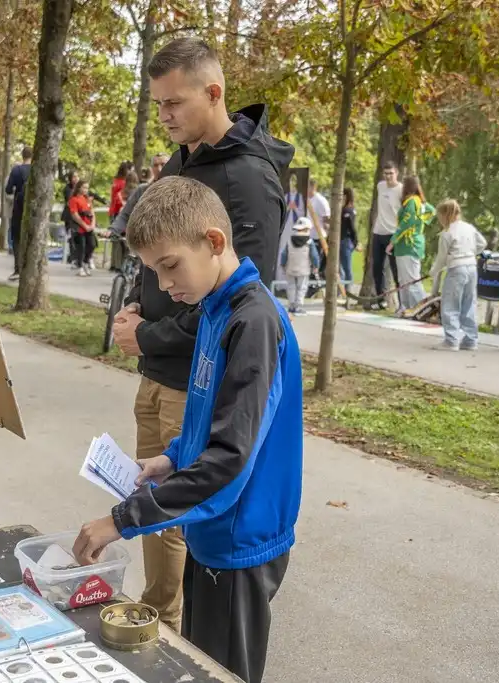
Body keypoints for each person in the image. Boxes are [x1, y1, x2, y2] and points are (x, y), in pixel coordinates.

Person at [75, 177, 301, 683]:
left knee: (223, 672)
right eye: (153, 271)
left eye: (170, 265)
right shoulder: (213, 309)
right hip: (212, 534)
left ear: (214, 242)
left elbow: (229, 459)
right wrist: (173, 457)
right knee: (202, 664)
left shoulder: (254, 322)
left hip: (240, 539)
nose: (163, 284)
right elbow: (209, 413)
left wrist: (122, 520)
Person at [109, 36, 293, 635]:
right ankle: (169, 633)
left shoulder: (248, 178)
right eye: (157, 106)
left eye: (173, 104)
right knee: (168, 540)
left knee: (187, 528)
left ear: (214, 93)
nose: (163, 118)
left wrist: (153, 335)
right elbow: (163, 253)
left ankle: (171, 639)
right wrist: (138, 306)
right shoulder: (186, 160)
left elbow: (240, 297)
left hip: (195, 379)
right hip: (163, 374)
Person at [428, 200, 487, 351]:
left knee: (450, 304)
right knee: (469, 303)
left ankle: (451, 340)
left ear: (444, 215)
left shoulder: (446, 233)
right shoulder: (469, 227)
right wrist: (471, 252)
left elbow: (441, 258)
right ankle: (470, 340)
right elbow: (483, 243)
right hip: (472, 267)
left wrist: (433, 272)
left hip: (456, 268)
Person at [387, 175, 432, 313]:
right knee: (403, 280)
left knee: (412, 280)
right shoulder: (419, 202)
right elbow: (431, 211)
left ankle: (423, 308)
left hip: (409, 244)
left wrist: (392, 241)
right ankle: (405, 307)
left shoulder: (412, 202)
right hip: (405, 246)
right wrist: (421, 222)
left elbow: (406, 223)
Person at [111, 153, 169, 236]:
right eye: (155, 165)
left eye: (163, 164)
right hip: (147, 242)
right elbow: (125, 214)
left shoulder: (180, 189)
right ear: (152, 168)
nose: (159, 169)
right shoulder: (142, 190)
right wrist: (113, 229)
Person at [370, 161, 403, 308]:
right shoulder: (380, 186)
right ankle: (381, 299)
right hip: (379, 231)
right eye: (386, 173)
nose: (389, 176)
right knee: (377, 267)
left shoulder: (401, 190)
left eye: (391, 173)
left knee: (396, 269)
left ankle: (402, 301)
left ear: (397, 173)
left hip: (393, 233)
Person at [280, 216, 320, 315]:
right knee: (302, 287)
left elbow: (284, 254)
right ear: (307, 229)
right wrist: (316, 265)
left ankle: (291, 305)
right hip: (304, 268)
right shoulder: (309, 242)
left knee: (291, 286)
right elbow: (314, 256)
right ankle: (298, 307)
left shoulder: (290, 240)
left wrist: (283, 264)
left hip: (290, 267)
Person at [4, 146, 33, 280]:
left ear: (22, 155)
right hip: (34, 210)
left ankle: (18, 269)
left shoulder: (17, 170)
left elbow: (8, 190)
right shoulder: (37, 170)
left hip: (19, 208)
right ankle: (30, 269)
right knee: (31, 237)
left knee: (16, 238)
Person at [67, 180, 95, 276]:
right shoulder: (73, 200)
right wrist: (84, 225)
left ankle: (86, 262)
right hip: (79, 228)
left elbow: (92, 211)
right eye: (84, 187)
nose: (86, 190)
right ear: (79, 188)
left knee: (91, 245)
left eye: (87, 188)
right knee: (81, 247)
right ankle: (79, 266)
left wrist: (92, 224)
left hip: (89, 226)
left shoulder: (86, 199)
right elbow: (75, 215)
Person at [340, 187, 360, 283]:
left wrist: (355, 241)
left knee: (347, 269)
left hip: (345, 241)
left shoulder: (348, 210)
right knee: (340, 269)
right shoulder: (345, 209)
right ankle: (342, 292)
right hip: (341, 240)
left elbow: (352, 227)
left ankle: (348, 293)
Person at [61, 170, 80, 265]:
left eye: (77, 176)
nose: (76, 179)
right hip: (69, 216)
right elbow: (70, 200)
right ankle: (72, 257)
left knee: (77, 236)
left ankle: (76, 256)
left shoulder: (80, 188)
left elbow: (91, 194)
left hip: (76, 215)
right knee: (71, 236)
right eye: (74, 177)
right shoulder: (67, 189)